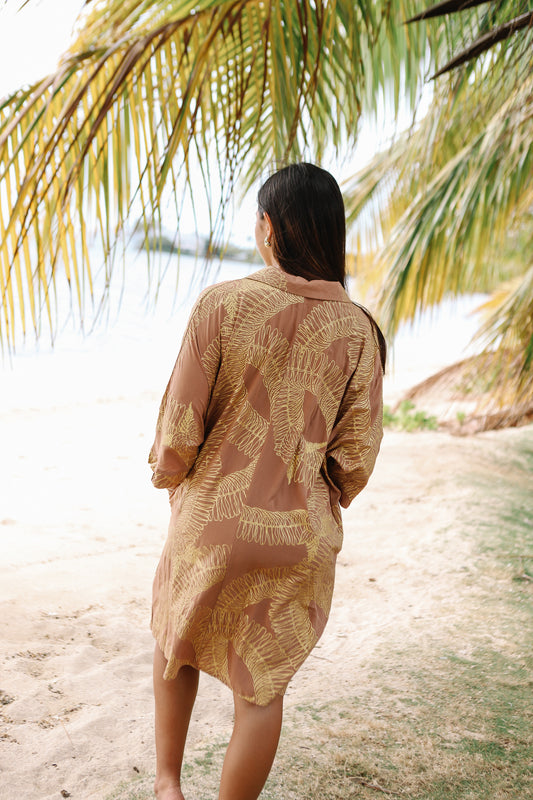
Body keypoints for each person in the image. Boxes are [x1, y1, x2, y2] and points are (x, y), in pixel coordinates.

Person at [148, 162, 385, 800]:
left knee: (175, 640)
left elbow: (180, 424)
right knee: (261, 690)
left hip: (212, 522)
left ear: (269, 227)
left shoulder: (222, 304)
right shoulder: (360, 330)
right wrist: (323, 494)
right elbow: (356, 457)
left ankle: (168, 786)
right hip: (297, 539)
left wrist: (170, 477)